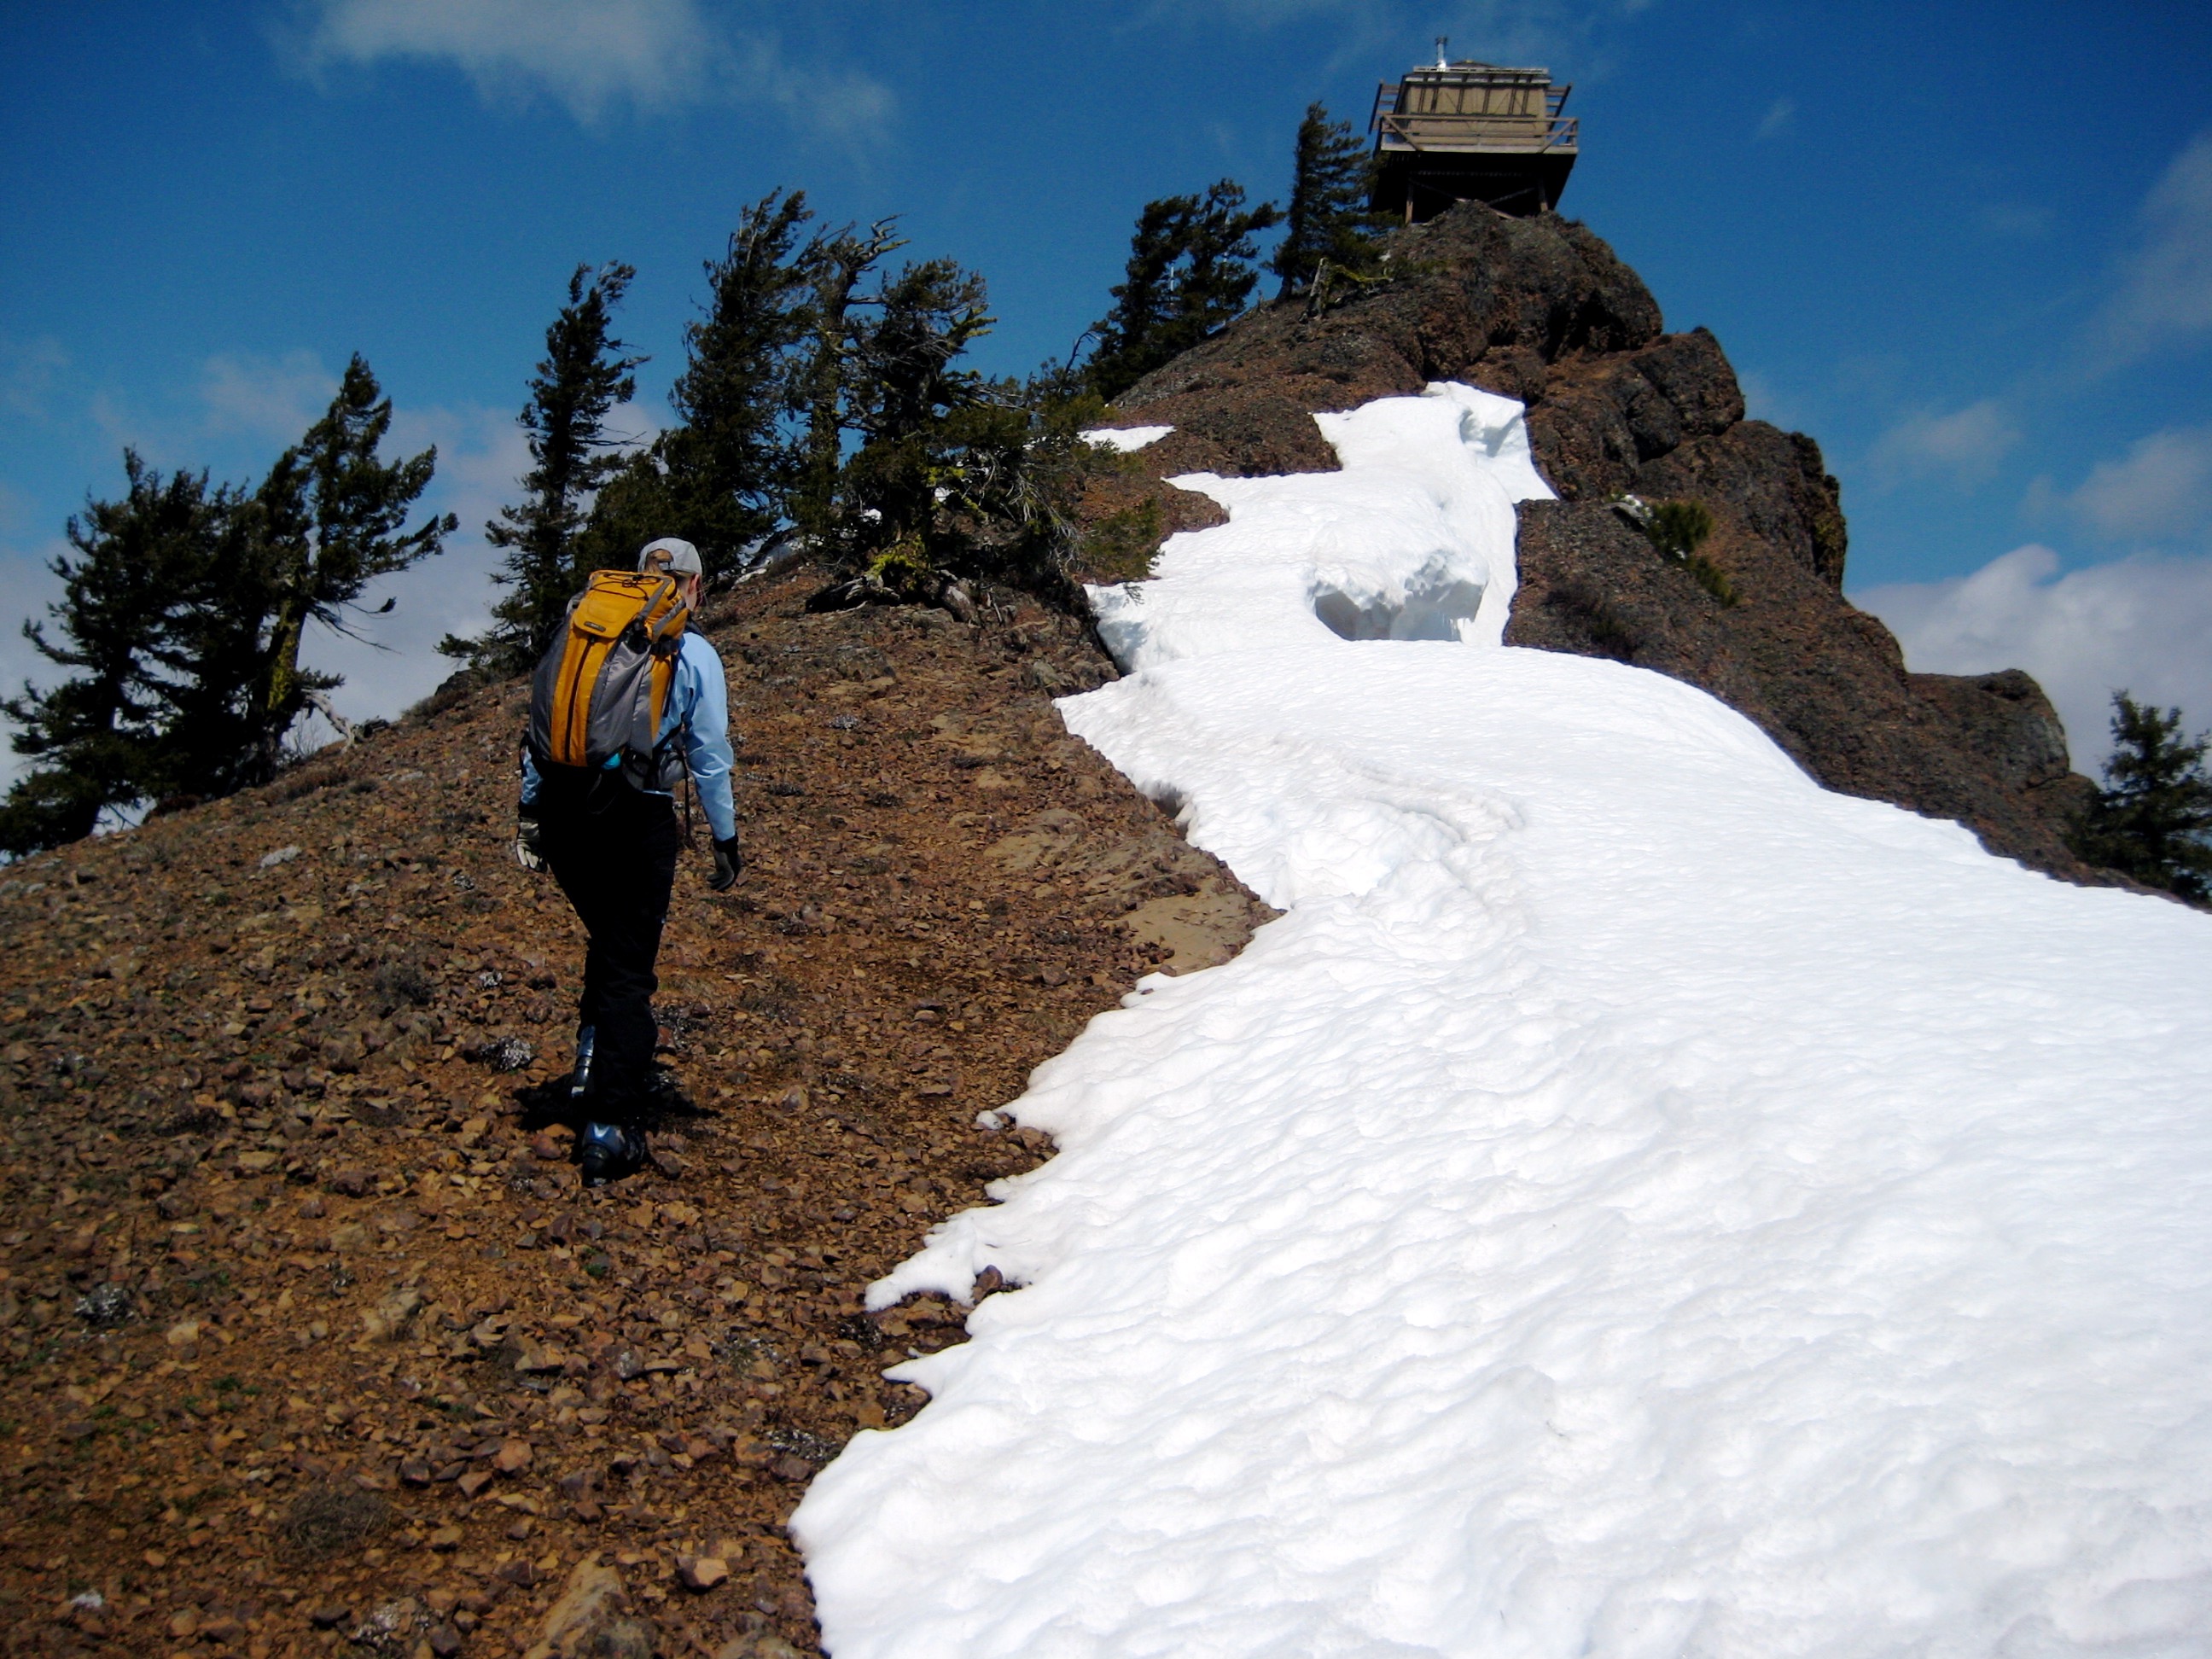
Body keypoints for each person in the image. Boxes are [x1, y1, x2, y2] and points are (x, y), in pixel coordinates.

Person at [515, 536, 742, 1185]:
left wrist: (531, 816)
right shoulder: (692, 650)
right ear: (696, 586)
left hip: (564, 810)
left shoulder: (585, 628)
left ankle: (592, 1058)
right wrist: (724, 840)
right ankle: (609, 1127)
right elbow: (710, 753)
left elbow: (539, 730)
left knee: (609, 943)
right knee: (628, 965)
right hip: (634, 815)